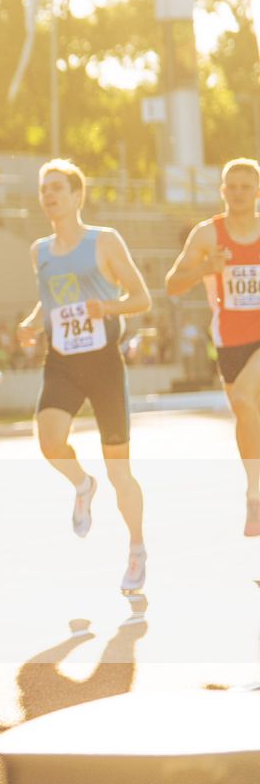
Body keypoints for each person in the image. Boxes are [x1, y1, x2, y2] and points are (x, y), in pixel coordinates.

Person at [17, 160, 154, 592]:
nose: (49, 196)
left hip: (103, 363)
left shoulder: (105, 242)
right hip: (62, 360)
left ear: (78, 196)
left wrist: (106, 308)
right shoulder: (39, 251)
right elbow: (49, 302)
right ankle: (81, 482)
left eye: (57, 188)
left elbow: (142, 299)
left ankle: (136, 548)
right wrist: (31, 323)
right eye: (44, 189)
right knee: (49, 440)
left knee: (120, 471)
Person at [163, 157, 260, 536]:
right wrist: (208, 268)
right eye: (230, 187)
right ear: (222, 191)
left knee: (248, 399)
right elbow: (172, 284)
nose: (237, 193)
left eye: (245, 187)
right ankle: (255, 486)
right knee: (243, 408)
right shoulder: (208, 235)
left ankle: (255, 494)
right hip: (230, 339)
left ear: (257, 191)